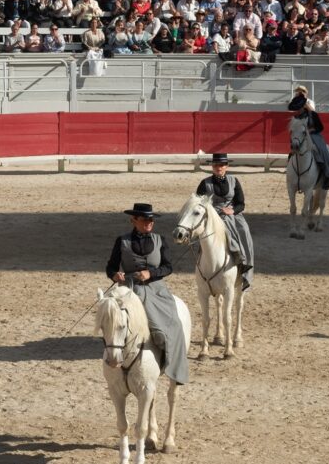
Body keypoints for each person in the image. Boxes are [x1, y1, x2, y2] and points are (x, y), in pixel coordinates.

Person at [104, 202, 189, 385]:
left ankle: (172, 364)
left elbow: (168, 267)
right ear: (133, 220)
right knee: (112, 317)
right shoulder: (122, 241)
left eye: (151, 220)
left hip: (156, 289)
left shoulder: (160, 240)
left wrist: (151, 273)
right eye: (144, 220)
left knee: (173, 324)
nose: (149, 223)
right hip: (129, 288)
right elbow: (110, 267)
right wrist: (115, 275)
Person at [195, 153, 255, 291]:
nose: (219, 167)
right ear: (212, 166)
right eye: (216, 165)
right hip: (212, 215)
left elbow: (241, 204)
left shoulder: (234, 180)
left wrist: (232, 211)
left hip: (233, 215)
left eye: (221, 165)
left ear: (227, 166)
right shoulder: (205, 183)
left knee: (244, 230)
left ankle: (244, 263)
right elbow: (198, 204)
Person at [287, 85, 329, 189]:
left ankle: (328, 173)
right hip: (300, 133)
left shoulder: (309, 102)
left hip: (312, 133)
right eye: (298, 91)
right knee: (292, 149)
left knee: (321, 148)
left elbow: (315, 117)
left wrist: (305, 103)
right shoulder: (296, 104)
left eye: (302, 91)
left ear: (306, 93)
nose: (299, 93)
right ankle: (290, 173)